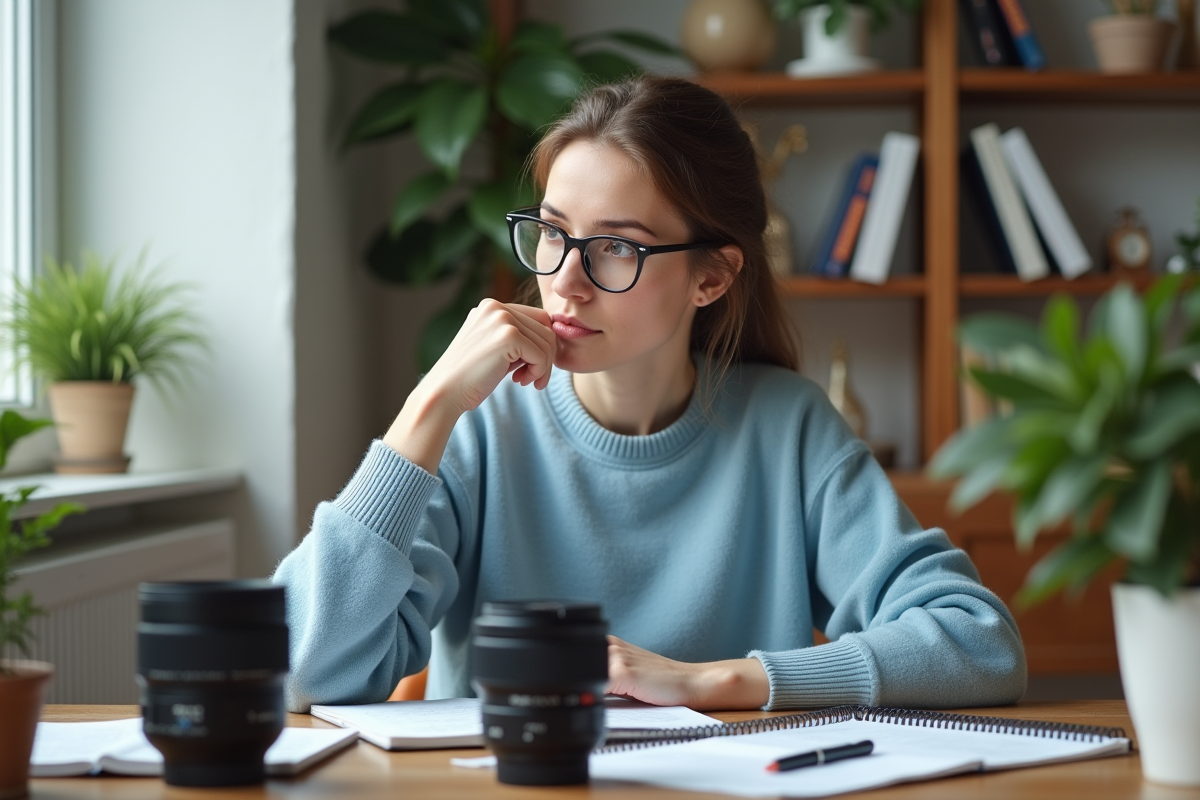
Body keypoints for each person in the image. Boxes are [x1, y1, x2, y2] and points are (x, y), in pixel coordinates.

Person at [272, 75, 1026, 713]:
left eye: (615, 248)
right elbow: (295, 669)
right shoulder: (479, 429)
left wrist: (711, 681)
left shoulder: (787, 429)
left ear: (713, 276)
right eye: (552, 232)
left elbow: (979, 642)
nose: (563, 279)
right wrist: (428, 407)